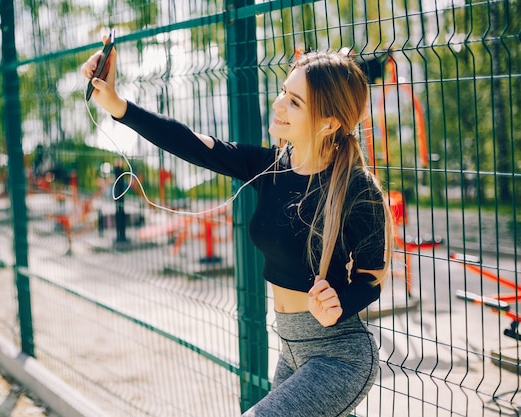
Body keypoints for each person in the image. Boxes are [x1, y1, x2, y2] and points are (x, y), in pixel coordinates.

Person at [82, 36, 393, 417]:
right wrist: (116, 105)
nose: (277, 105)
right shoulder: (269, 167)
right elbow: (191, 144)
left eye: (294, 102)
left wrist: (340, 304)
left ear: (329, 122)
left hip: (338, 357)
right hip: (291, 348)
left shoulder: (357, 189)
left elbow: (373, 276)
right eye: (283, 92)